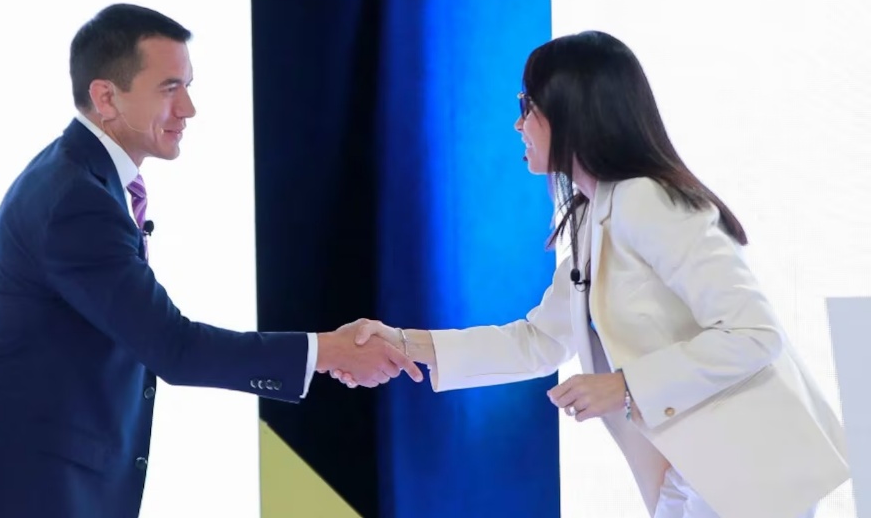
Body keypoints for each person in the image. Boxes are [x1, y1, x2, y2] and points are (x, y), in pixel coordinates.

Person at [0, 3, 422, 518]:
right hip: (0, 479)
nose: (188, 109)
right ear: (106, 97)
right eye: (170, 88)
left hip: (25, 471)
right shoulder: (76, 200)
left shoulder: (85, 179)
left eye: (188, 86)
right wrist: (326, 351)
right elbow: (174, 348)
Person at [333, 31, 848, 518]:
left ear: (572, 113)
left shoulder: (646, 201)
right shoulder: (592, 214)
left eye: (527, 107)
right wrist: (403, 343)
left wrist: (625, 387)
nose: (518, 124)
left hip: (745, 476)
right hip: (693, 476)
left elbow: (753, 333)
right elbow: (538, 342)